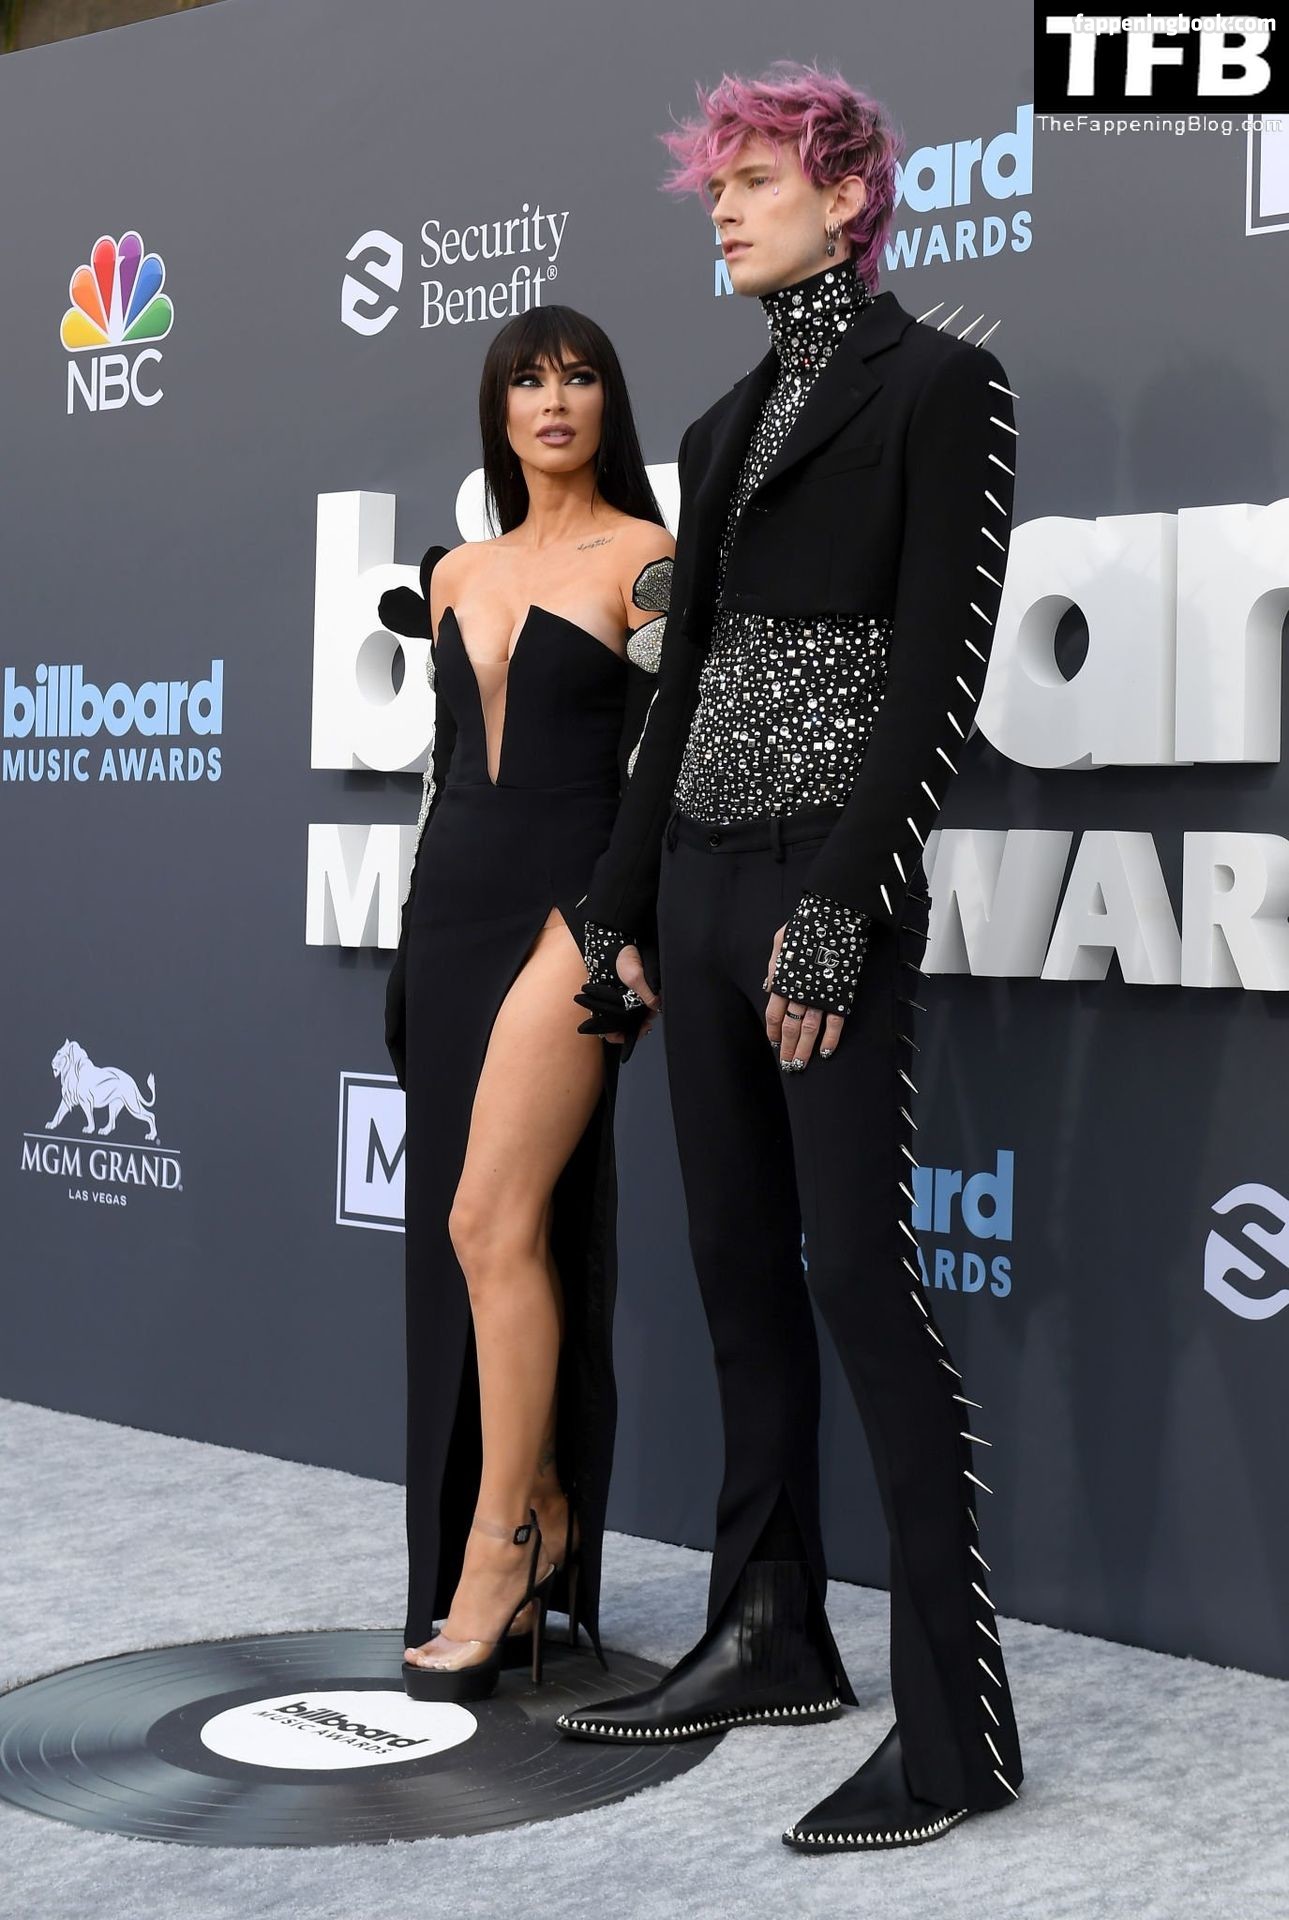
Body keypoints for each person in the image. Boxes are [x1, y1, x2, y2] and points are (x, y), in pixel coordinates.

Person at [556, 60, 1025, 1850]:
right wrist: (618, 901)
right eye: (716, 184)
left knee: (857, 1285)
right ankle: (767, 1631)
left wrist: (841, 902)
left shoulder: (943, 384)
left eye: (754, 180)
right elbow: (679, 686)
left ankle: (955, 1732)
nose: (724, 206)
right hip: (694, 881)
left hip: (825, 885)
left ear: (844, 195)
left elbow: (936, 672)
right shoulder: (716, 422)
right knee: (735, 1266)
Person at [379, 305, 675, 1699]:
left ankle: (504, 1550)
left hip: (578, 913)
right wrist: (404, 939)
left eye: (580, 377)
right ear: (496, 412)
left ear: (609, 403)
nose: (555, 400)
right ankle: (535, 1503)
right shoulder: (455, 571)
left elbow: (672, 766)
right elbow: (442, 773)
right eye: (528, 381)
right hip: (451, 911)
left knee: (489, 1223)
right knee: (478, 1240)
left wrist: (628, 927)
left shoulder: (649, 561)